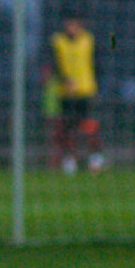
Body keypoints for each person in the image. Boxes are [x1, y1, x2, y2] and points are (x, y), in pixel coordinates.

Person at [49, 14, 104, 173]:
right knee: (67, 128)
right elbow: (53, 64)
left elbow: (98, 63)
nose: (71, 27)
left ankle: (95, 158)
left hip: (86, 91)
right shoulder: (58, 41)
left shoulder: (89, 40)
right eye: (69, 24)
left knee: (90, 126)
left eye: (74, 24)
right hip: (66, 93)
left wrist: (98, 86)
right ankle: (69, 160)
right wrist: (63, 79)